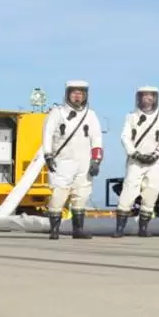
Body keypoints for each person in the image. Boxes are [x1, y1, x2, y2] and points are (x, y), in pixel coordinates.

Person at [43, 80, 103, 240]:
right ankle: (54, 230)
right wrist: (48, 154)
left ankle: (78, 230)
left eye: (81, 93)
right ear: (67, 94)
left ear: (85, 95)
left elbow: (97, 138)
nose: (78, 96)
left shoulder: (91, 115)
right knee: (59, 194)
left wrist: (96, 160)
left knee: (81, 195)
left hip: (84, 162)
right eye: (74, 93)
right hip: (62, 161)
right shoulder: (57, 113)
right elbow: (47, 134)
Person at [115, 85, 159, 237]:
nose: (148, 98)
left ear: (155, 98)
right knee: (128, 192)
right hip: (136, 161)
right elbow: (125, 137)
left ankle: (143, 228)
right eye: (144, 95)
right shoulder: (131, 117)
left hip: (155, 162)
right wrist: (134, 153)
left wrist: (156, 154)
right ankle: (119, 229)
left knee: (151, 193)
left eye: (151, 96)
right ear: (139, 98)